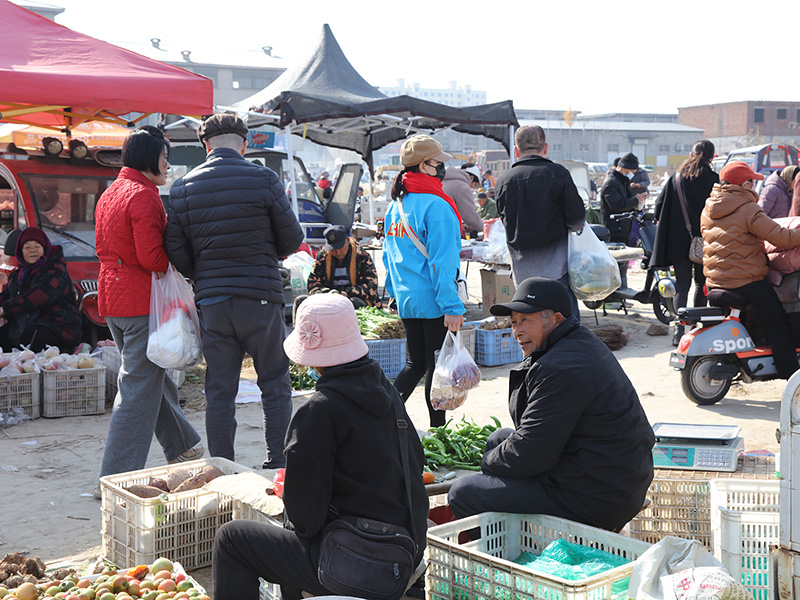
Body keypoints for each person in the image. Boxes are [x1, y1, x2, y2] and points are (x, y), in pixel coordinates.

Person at [212, 294, 429, 600]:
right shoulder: (387, 392)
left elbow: (304, 519)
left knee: (232, 539)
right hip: (405, 553)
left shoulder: (318, 411)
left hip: (359, 561)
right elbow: (415, 462)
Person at [447, 277, 655, 531]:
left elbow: (532, 453)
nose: (517, 330)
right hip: (606, 476)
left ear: (556, 319)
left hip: (598, 497)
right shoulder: (577, 342)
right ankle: (518, 531)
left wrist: (487, 463)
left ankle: (513, 551)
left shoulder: (561, 366)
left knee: (463, 492)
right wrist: (494, 461)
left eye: (525, 320)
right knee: (497, 439)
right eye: (514, 321)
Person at [165, 113, 304, 468]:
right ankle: (279, 462)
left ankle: (222, 466)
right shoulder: (264, 179)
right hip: (261, 297)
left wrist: (204, 274)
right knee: (274, 382)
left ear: (205, 145)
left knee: (219, 390)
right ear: (244, 145)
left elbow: (176, 250)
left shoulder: (183, 187)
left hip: (213, 302)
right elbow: (292, 238)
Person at [95, 126, 202, 481]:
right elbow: (152, 258)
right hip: (141, 300)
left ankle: (183, 445)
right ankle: (116, 476)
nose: (168, 164)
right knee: (137, 389)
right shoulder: (144, 195)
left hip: (113, 298)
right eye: (165, 157)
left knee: (151, 375)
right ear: (149, 157)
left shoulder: (111, 192)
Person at [382, 134, 465, 428]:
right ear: (423, 166)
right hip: (433, 299)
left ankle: (380, 417)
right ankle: (438, 430)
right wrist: (451, 306)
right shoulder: (437, 206)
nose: (442, 168)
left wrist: (394, 293)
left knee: (415, 363)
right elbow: (443, 262)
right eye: (437, 162)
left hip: (407, 298)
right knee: (436, 367)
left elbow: (389, 256)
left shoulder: (396, 205)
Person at [702, 160, 800, 379]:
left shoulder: (708, 207)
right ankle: (792, 376)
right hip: (746, 281)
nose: (754, 186)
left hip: (715, 281)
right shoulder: (748, 209)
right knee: (779, 324)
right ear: (744, 185)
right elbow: (781, 238)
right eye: (752, 182)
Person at [494, 124, 585, 320]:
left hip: (522, 272)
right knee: (565, 324)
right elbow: (577, 221)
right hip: (557, 269)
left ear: (516, 151)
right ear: (545, 148)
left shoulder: (503, 181)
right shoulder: (558, 174)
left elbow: (504, 219)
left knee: (529, 324)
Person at [651, 140, 720, 345]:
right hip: (705, 241)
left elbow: (658, 207)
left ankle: (679, 331)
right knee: (701, 283)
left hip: (678, 242)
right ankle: (696, 330)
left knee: (682, 284)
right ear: (712, 158)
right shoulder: (714, 180)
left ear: (691, 154)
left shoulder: (676, 178)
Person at [0, 227, 81, 352]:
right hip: (23, 322)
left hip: (55, 324)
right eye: (27, 247)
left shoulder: (56, 271)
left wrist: (4, 309)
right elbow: (6, 295)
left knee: (33, 338)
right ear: (20, 251)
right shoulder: (17, 275)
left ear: (45, 249)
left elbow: (38, 297)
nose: (32, 250)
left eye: (37, 246)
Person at [301, 224, 381, 309]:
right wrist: (329, 293)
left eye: (340, 247)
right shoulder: (323, 256)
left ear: (347, 240)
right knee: (301, 301)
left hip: (356, 299)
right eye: (333, 249)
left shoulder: (362, 256)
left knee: (354, 302)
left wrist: (347, 293)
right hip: (329, 299)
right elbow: (312, 283)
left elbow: (371, 285)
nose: (338, 252)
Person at [600, 152, 648, 289]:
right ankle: (614, 294)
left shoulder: (622, 181)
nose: (633, 174)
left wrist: (637, 201)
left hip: (624, 228)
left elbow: (626, 201)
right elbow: (616, 205)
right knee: (616, 266)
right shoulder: (611, 183)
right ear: (624, 169)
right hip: (615, 229)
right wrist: (635, 200)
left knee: (623, 265)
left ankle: (622, 291)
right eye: (632, 171)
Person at [442, 163, 484, 235]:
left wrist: (461, 227)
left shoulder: (444, 181)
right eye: (474, 184)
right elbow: (470, 215)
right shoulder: (462, 186)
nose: (471, 187)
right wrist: (484, 227)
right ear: (471, 178)